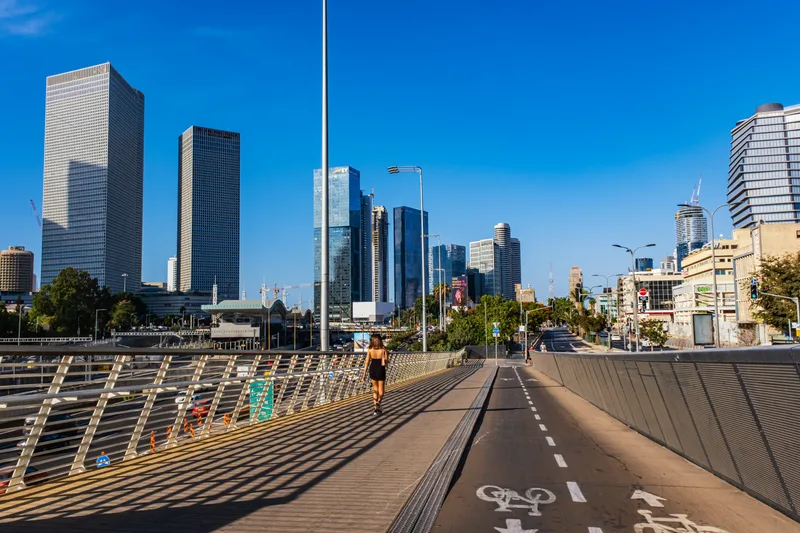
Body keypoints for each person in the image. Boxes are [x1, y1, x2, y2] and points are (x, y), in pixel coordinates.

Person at [362, 334, 388, 415]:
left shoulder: (370, 349)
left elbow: (367, 362)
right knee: (381, 389)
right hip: (380, 369)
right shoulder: (383, 349)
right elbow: (386, 363)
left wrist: (364, 373)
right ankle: (379, 402)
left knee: (375, 389)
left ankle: (376, 409)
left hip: (372, 369)